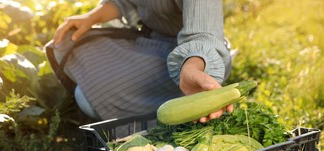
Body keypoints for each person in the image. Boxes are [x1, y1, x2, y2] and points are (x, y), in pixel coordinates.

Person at [46, 0, 232, 123]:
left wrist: (191, 66)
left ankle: (164, 117)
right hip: (151, 42)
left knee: (89, 96)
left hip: (190, 57)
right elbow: (125, 2)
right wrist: (91, 17)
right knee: (66, 43)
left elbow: (203, 35)